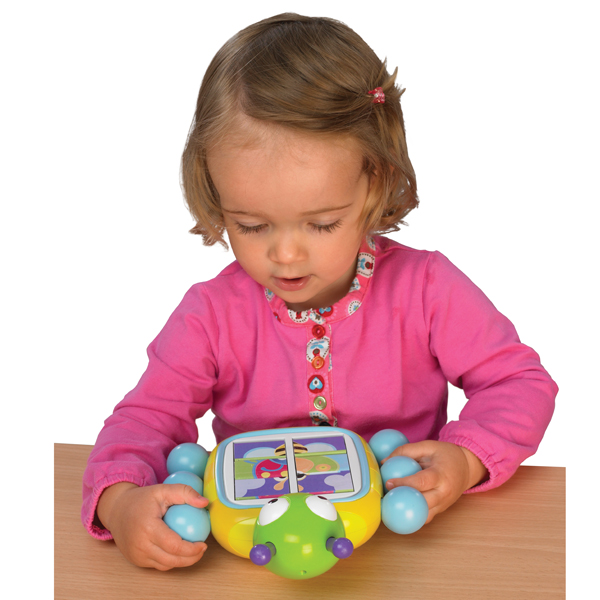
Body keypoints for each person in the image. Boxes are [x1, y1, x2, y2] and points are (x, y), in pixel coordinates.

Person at [82, 13, 557, 570]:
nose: (285, 254)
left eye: (322, 223)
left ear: (376, 182)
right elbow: (144, 421)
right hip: (251, 551)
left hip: (407, 545)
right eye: (252, 226)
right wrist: (120, 503)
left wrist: (466, 458)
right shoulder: (209, 315)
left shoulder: (428, 289)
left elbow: (518, 383)